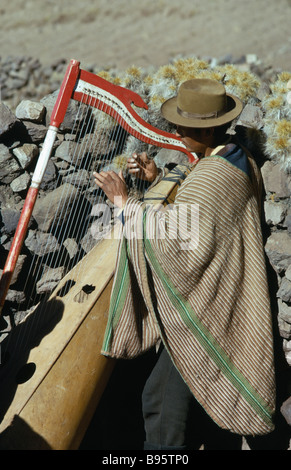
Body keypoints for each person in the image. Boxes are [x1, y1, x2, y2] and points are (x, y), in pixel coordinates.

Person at [93, 78, 276, 450]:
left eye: (183, 126)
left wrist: (123, 203)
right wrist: (157, 178)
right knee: (177, 402)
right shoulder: (234, 157)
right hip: (220, 299)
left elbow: (176, 237)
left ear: (208, 129)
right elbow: (201, 214)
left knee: (159, 401)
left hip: (208, 310)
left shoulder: (215, 174)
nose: (175, 131)